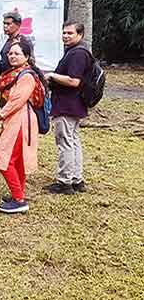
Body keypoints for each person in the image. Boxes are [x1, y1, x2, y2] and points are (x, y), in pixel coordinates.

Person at [0, 42, 44, 214]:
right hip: (17, 120)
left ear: (26, 57)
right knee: (17, 160)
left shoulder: (26, 76)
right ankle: (18, 194)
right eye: (10, 53)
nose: (12, 56)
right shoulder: (16, 74)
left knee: (4, 159)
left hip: (20, 120)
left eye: (17, 54)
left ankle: (19, 199)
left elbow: (16, 101)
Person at [43, 21, 93, 195]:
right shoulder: (77, 52)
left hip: (67, 103)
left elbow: (74, 80)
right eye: (64, 33)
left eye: (70, 33)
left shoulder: (77, 54)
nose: (65, 36)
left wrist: (52, 75)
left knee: (65, 142)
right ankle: (76, 179)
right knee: (73, 141)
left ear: (80, 35)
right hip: (74, 103)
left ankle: (65, 182)